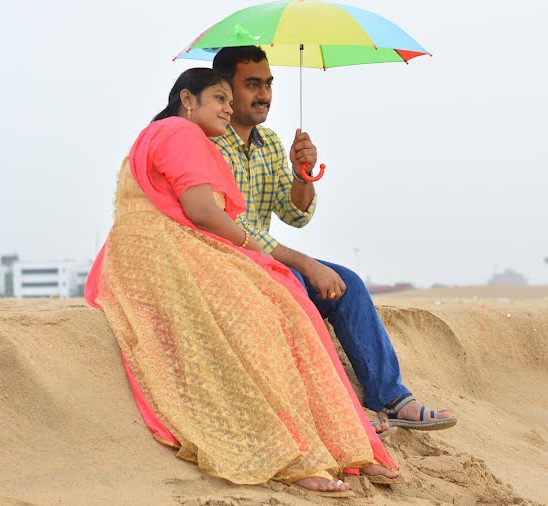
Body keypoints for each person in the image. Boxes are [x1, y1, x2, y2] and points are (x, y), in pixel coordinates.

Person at [84, 68, 400, 497]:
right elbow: (200, 210)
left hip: (170, 248)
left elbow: (294, 216)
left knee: (291, 302)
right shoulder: (179, 132)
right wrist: (250, 245)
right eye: (220, 98)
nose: (229, 108)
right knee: (266, 316)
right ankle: (295, 453)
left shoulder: (241, 141)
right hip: (162, 252)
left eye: (230, 102)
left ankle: (348, 441)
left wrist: (302, 173)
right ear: (187, 99)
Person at [211, 47, 456, 432]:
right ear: (225, 88)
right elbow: (235, 226)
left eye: (269, 84)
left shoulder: (271, 142)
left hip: (270, 267)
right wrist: (307, 264)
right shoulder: (208, 142)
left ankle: (390, 396)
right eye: (253, 84)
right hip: (227, 270)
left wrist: (302, 174)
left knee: (348, 285)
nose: (265, 95)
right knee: (305, 291)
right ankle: (339, 413)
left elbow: (294, 214)